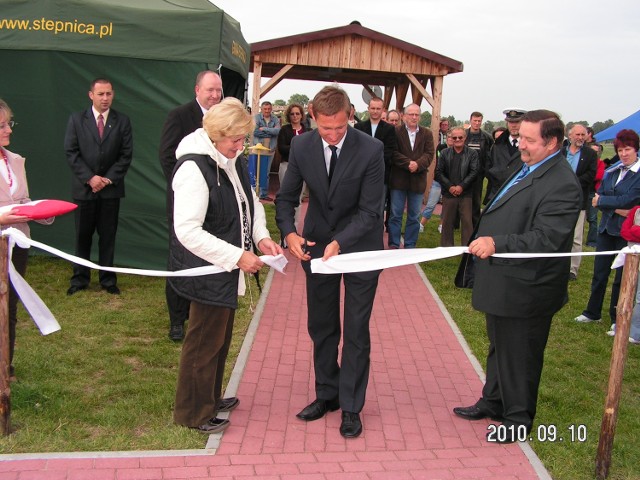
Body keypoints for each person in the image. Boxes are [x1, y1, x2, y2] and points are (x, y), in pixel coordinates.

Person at [453, 110, 581, 443]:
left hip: (528, 286)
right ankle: (493, 401)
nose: (520, 144)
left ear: (551, 143)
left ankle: (517, 418)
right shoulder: (528, 166)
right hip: (504, 279)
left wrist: (497, 242)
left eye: (528, 139)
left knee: (521, 353)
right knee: (500, 346)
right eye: (519, 136)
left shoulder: (562, 183)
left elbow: (547, 238)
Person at [275, 86, 384, 439]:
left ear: (350, 115)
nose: (333, 135)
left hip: (360, 246)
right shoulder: (302, 145)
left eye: (339, 127)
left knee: (355, 329)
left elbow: (370, 212)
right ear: (312, 117)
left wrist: (340, 241)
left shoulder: (372, 149)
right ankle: (327, 394)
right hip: (316, 246)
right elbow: (286, 197)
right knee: (321, 325)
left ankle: (351, 407)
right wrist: (289, 233)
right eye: (325, 128)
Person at [169, 97, 282, 433]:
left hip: (226, 267)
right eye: (236, 139)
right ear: (216, 134)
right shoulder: (194, 168)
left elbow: (250, 203)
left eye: (242, 139)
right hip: (206, 268)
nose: (241, 145)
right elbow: (187, 230)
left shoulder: (229, 159)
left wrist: (260, 238)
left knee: (219, 338)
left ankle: (211, 398)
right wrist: (236, 255)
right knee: (203, 342)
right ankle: (193, 413)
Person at [159, 70, 223, 341]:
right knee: (180, 260)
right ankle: (177, 319)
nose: (214, 95)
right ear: (197, 90)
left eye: (218, 90)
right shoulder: (179, 115)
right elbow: (166, 156)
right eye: (210, 90)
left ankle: (201, 312)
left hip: (217, 205)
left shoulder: (223, 118)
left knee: (206, 257)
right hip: (186, 202)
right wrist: (190, 186)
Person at [0, 99, 54, 381]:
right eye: (2, 125)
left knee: (8, 306)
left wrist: (41, 212)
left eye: (9, 123)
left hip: (16, 245)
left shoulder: (16, 160)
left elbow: (22, 201)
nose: (8, 129)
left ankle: (5, 367)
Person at [65, 78, 133, 296]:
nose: (105, 98)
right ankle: (79, 279)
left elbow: (125, 155)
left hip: (110, 191)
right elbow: (71, 152)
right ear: (91, 95)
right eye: (101, 94)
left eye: (109, 94)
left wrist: (106, 179)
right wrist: (90, 178)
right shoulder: (77, 120)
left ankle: (107, 279)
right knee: (82, 236)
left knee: (108, 236)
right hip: (84, 191)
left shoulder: (122, 121)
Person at [575, 129, 640, 336]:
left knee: (622, 277)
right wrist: (611, 205)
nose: (623, 153)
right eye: (620, 149)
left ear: (636, 150)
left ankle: (616, 318)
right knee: (599, 273)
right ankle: (592, 312)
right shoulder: (613, 170)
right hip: (606, 228)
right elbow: (599, 196)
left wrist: (605, 202)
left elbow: (629, 200)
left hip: (627, 233)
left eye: (627, 149)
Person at [388, 103, 434, 249]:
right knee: (396, 214)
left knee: (414, 216)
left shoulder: (427, 133)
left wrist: (418, 164)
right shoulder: (395, 131)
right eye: (411, 114)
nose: (414, 117)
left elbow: (429, 154)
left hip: (417, 180)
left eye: (417, 114)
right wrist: (408, 163)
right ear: (404, 116)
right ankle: (394, 243)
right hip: (398, 180)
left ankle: (409, 244)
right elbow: (393, 152)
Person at [355, 97, 397, 232]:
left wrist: (373, 163)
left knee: (379, 206)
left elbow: (390, 151)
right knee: (359, 204)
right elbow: (356, 150)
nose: (375, 111)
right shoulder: (359, 127)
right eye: (372, 108)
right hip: (360, 174)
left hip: (381, 175)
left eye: (378, 108)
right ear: (368, 109)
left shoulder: (390, 129)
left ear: (383, 110)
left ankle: (376, 233)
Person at [562, 124, 597, 280]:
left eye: (583, 135)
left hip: (578, 200)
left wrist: (571, 181)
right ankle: (556, 264)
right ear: (570, 135)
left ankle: (572, 269)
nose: (581, 138)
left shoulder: (590, 154)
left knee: (576, 237)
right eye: (578, 134)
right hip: (558, 199)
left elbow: (591, 175)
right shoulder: (560, 152)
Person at [435, 127, 478, 247]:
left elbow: (474, 172)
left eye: (460, 137)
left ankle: (467, 248)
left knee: (467, 222)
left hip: (466, 193)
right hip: (449, 193)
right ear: (450, 139)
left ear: (465, 138)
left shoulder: (472, 153)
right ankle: (446, 247)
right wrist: (450, 187)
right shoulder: (444, 153)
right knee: (447, 222)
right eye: (454, 137)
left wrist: (461, 186)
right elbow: (438, 172)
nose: (457, 139)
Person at [484, 109, 526, 204]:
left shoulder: (529, 146)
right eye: (510, 122)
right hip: (497, 195)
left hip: (520, 197)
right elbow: (489, 167)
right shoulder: (497, 145)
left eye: (517, 122)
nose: (513, 125)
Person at [464, 111, 494, 226]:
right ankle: (457, 222)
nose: (477, 123)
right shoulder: (464, 135)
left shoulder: (487, 137)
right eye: (475, 120)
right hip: (464, 172)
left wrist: (486, 170)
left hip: (478, 173)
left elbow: (490, 155)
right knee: (461, 199)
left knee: (476, 200)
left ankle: (475, 223)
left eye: (479, 121)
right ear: (470, 120)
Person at [252, 101, 281, 201]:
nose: (267, 111)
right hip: (258, 149)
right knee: (256, 171)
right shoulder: (256, 118)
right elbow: (255, 132)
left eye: (269, 109)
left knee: (266, 172)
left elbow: (278, 131)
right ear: (261, 109)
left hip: (270, 149)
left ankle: (263, 194)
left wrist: (264, 128)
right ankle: (254, 194)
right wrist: (270, 132)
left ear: (271, 109)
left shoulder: (275, 119)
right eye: (265, 109)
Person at [586, 143, 605, 247]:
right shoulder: (584, 162)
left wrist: (587, 176)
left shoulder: (600, 163)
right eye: (593, 151)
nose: (595, 153)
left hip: (593, 193)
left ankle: (592, 241)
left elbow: (598, 176)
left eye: (597, 151)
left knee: (592, 218)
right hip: (583, 192)